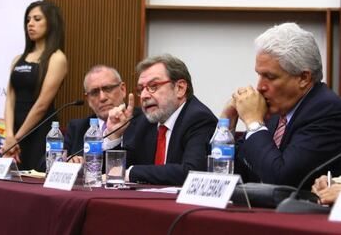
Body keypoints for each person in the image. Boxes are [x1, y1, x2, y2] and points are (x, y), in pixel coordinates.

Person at [221, 22, 341, 188]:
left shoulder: (326, 110)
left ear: (303, 78)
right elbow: (238, 173)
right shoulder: (277, 110)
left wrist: (254, 123)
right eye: (259, 75)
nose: (259, 87)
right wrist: (226, 123)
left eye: (269, 77)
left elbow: (281, 180)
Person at [106, 54, 217, 185]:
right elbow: (112, 171)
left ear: (180, 88)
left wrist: (130, 173)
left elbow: (192, 171)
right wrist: (114, 137)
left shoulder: (199, 119)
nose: (144, 96)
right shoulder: (146, 121)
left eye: (153, 86)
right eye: (141, 89)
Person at [1, 0, 68, 171]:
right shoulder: (18, 59)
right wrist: (9, 135)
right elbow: (10, 99)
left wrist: (17, 138)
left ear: (50, 23)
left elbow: (42, 104)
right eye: (28, 20)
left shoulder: (56, 58)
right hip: (14, 134)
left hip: (39, 131)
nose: (30, 24)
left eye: (37, 19)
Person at [64, 65, 135, 162]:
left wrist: (114, 139)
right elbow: (44, 164)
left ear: (123, 89)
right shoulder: (77, 128)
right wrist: (66, 161)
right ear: (88, 99)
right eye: (94, 92)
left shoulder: (142, 122)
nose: (102, 98)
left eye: (108, 89)